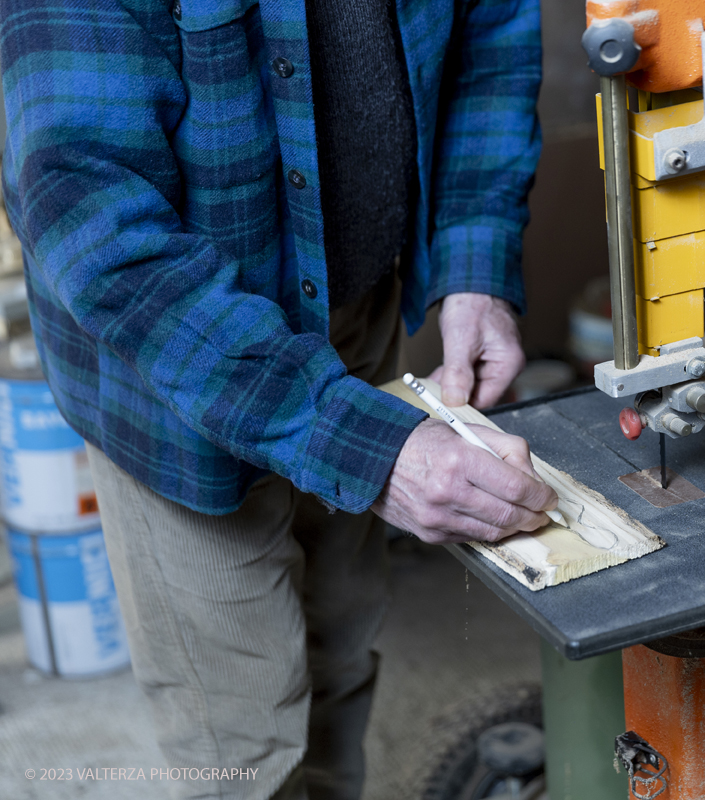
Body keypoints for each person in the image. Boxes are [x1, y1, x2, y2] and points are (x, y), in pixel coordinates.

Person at [0, 0, 554, 797]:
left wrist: (473, 262)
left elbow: (490, 34)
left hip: (359, 313)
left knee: (339, 643)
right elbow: (95, 228)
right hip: (180, 367)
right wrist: (366, 446)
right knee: (246, 732)